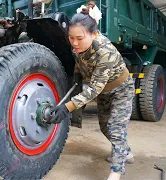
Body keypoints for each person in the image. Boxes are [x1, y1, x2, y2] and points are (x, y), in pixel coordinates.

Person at [49, 3, 135, 180]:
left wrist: (67, 108)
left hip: (121, 90)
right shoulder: (78, 47)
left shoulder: (105, 52)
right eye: (71, 38)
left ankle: (116, 172)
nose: (74, 43)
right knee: (105, 127)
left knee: (115, 128)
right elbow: (80, 64)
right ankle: (125, 151)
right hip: (104, 91)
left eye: (79, 38)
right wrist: (77, 76)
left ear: (94, 34)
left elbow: (95, 88)